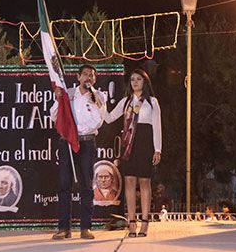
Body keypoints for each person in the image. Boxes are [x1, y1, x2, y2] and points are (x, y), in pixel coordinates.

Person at [101, 68, 162, 237]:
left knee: (144, 182)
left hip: (145, 141)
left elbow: (157, 126)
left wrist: (158, 149)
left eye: (139, 79)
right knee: (129, 181)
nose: (135, 82)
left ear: (145, 82)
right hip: (129, 143)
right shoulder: (125, 102)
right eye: (133, 79)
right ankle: (132, 223)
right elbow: (109, 117)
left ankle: (145, 222)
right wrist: (99, 103)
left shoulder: (152, 102)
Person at [52, 64, 106, 240]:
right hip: (66, 143)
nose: (88, 78)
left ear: (95, 79)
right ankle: (63, 228)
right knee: (64, 184)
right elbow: (54, 115)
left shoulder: (98, 97)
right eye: (84, 74)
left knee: (86, 185)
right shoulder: (67, 94)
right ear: (78, 77)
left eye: (91, 75)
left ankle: (85, 227)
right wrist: (59, 100)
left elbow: (98, 120)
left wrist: (78, 130)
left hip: (86, 142)